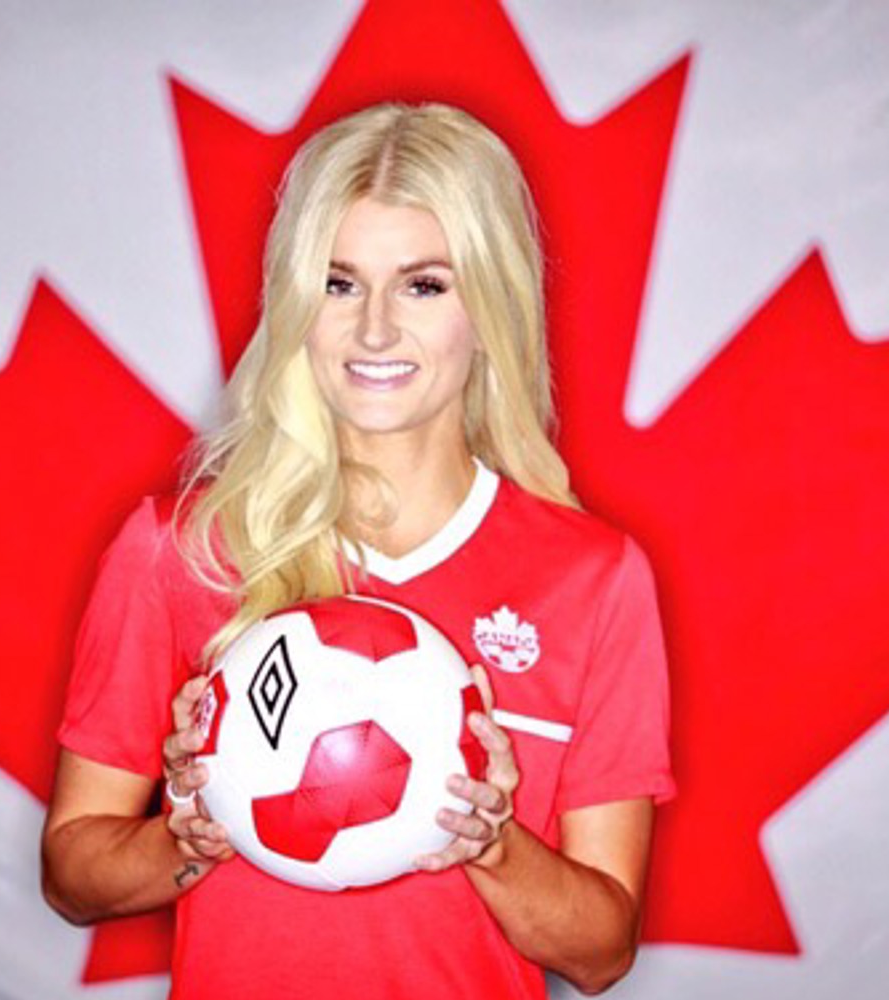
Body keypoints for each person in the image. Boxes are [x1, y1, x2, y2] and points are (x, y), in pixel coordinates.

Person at [41, 102, 674, 999]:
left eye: (424, 285)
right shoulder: (183, 552)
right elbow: (73, 876)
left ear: (490, 306)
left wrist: (494, 844)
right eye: (339, 284)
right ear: (298, 305)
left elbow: (602, 951)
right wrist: (186, 835)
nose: (374, 330)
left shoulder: (593, 578)